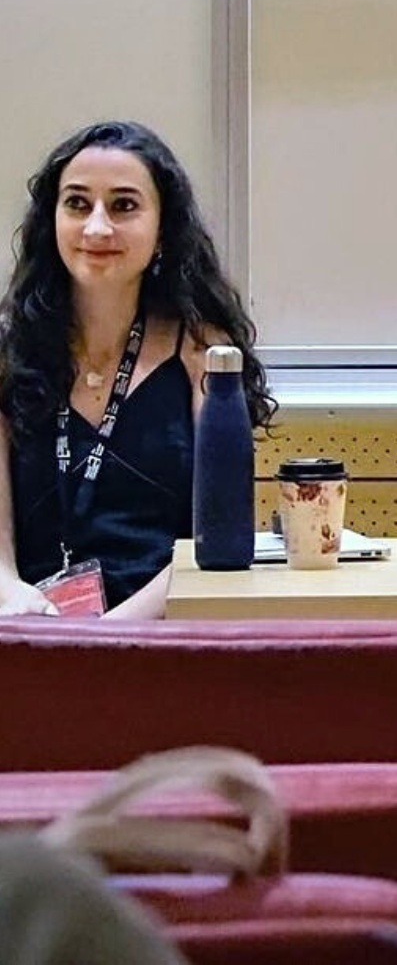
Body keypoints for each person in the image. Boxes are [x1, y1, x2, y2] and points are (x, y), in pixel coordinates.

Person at [0, 121, 274, 619]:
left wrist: (111, 634)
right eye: (77, 204)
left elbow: (220, 543)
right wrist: (11, 595)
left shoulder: (203, 351)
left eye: (124, 205)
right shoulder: (9, 351)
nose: (97, 228)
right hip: (29, 630)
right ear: (52, 220)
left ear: (163, 228)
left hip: (165, 634)